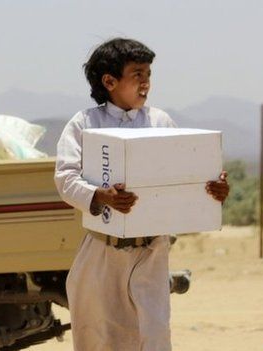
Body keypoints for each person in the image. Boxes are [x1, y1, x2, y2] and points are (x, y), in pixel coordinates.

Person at [54, 38, 229, 351]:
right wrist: (100, 196)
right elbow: (65, 179)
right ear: (110, 81)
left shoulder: (160, 122)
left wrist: (212, 189)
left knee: (154, 337)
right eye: (138, 74)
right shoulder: (84, 124)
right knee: (100, 337)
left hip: (152, 253)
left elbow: (185, 175)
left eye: (148, 74)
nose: (146, 82)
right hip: (102, 253)